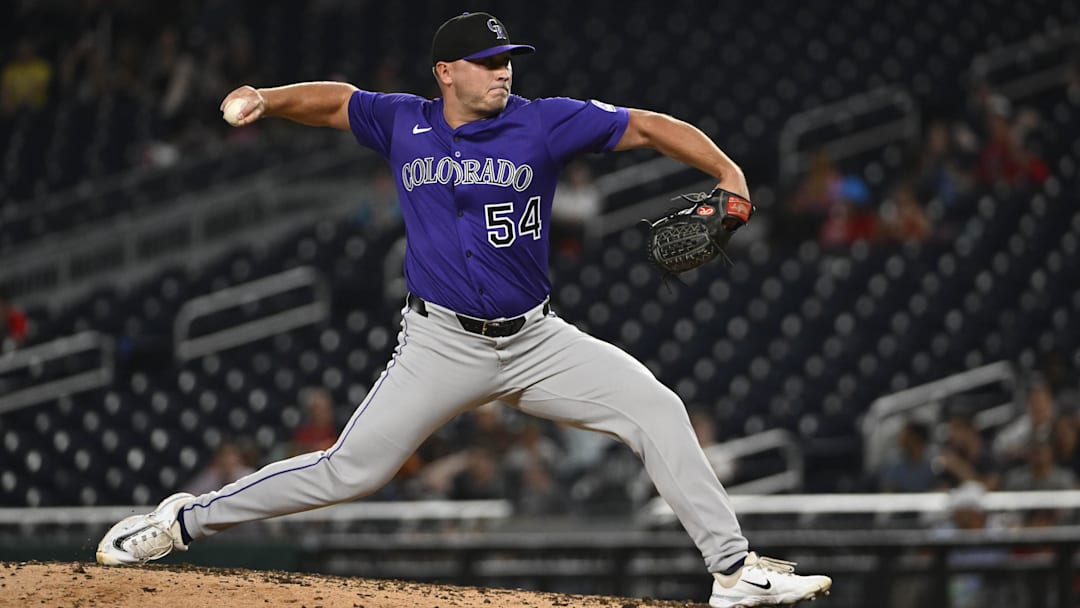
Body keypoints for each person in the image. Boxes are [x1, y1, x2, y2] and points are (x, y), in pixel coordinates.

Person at [95, 12, 830, 606]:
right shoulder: (402, 120)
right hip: (440, 343)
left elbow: (645, 125)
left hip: (537, 341)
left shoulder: (544, 121)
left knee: (657, 408)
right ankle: (181, 520)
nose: (503, 70)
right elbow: (338, 100)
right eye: (487, 60)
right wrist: (268, 97)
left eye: (507, 57)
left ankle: (734, 573)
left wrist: (728, 171)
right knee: (349, 470)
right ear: (446, 71)